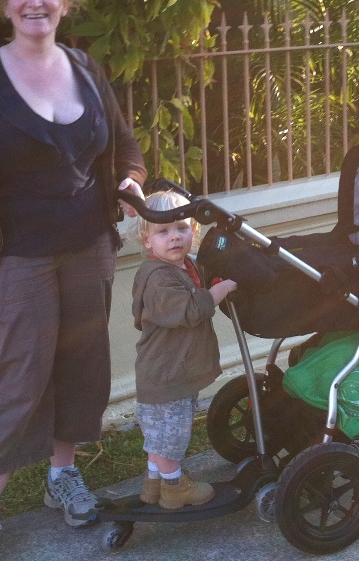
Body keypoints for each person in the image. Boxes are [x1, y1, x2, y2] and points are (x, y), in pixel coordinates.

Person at [0, 0, 146, 561]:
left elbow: (125, 148)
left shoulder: (86, 69)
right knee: (21, 379)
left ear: (64, 0)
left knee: (83, 368)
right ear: (4, 5)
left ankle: (62, 475)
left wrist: (132, 181)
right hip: (16, 259)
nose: (36, 1)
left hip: (89, 247)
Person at [131, 191, 237, 509]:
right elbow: (190, 309)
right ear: (146, 240)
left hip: (177, 372)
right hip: (165, 376)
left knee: (161, 437)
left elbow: (200, 278)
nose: (174, 237)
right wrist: (219, 290)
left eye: (181, 228)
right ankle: (175, 488)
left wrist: (215, 276)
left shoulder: (183, 265)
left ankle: (154, 484)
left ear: (194, 228)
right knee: (171, 438)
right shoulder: (156, 278)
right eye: (163, 232)